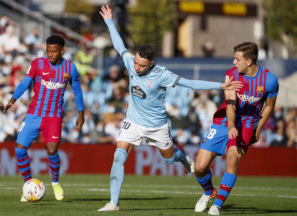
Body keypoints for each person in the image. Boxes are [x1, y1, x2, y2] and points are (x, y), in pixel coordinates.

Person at [98, 5, 243, 211]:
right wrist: (109, 22)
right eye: (136, 63)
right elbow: (120, 46)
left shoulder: (163, 75)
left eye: (141, 65)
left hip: (157, 126)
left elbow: (191, 83)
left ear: (151, 64)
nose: (136, 68)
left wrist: (219, 85)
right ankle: (113, 202)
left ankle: (183, 158)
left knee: (170, 158)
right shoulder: (131, 63)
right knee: (119, 156)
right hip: (133, 121)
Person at [194, 42, 279, 215]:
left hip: (248, 122)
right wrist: (232, 126)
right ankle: (209, 192)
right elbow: (231, 104)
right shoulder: (231, 75)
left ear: (248, 61)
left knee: (232, 158)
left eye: (237, 59)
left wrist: (258, 129)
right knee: (199, 167)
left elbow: (269, 106)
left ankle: (216, 205)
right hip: (224, 120)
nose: (233, 62)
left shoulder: (269, 80)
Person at [3, 35, 85, 201]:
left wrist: (81, 113)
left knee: (52, 150)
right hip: (34, 115)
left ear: (63, 50)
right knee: (19, 150)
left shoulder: (70, 68)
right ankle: (29, 185)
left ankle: (55, 182)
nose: (50, 54)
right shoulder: (37, 64)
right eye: (48, 50)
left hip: (53, 117)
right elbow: (25, 83)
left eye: (54, 51)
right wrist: (12, 99)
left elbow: (77, 90)